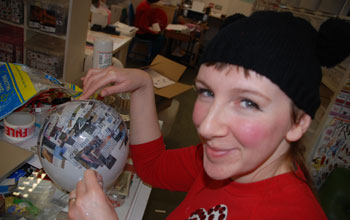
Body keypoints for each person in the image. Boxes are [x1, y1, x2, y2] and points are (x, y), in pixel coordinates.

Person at [68, 11, 350, 219]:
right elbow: (152, 167)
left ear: (298, 123)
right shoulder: (230, 161)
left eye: (248, 103)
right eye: (207, 92)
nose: (207, 126)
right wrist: (143, 85)